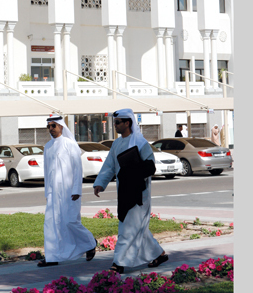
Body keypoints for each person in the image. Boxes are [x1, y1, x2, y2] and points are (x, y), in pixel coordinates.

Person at [93, 109, 168, 273]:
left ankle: (118, 263)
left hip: (139, 193)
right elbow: (109, 165)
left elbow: (150, 166)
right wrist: (100, 183)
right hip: (124, 190)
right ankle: (159, 254)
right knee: (137, 227)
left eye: (117, 122)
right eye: (114, 122)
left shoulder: (140, 143)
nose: (115, 125)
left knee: (127, 228)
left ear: (128, 123)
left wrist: (133, 170)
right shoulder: (116, 144)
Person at [37, 116, 97, 267]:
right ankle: (52, 257)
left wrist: (76, 189)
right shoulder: (48, 146)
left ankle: (90, 243)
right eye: (49, 126)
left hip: (69, 191)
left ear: (61, 126)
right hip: (53, 192)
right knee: (51, 224)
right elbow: (47, 171)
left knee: (71, 221)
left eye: (53, 126)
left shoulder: (70, 144)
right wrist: (47, 192)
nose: (51, 129)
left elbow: (77, 169)